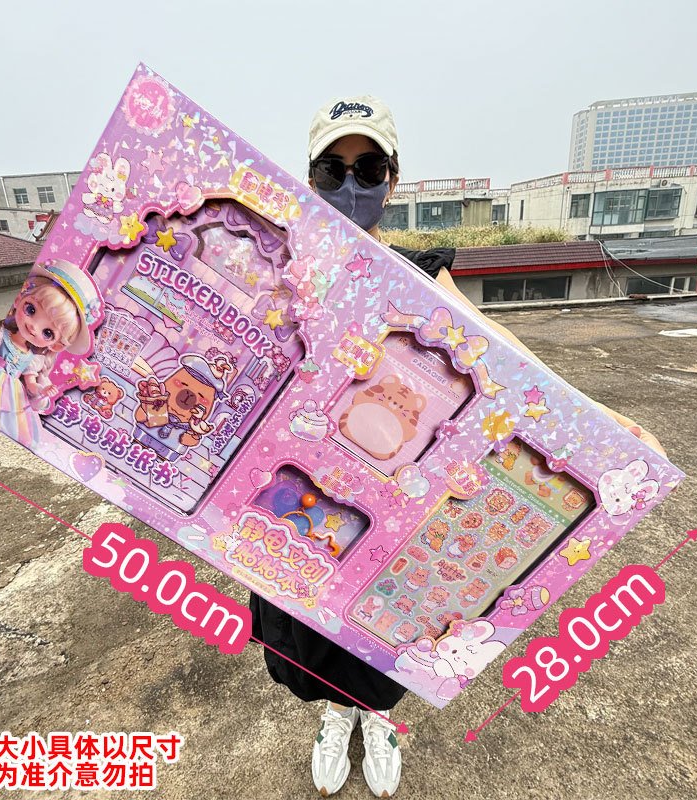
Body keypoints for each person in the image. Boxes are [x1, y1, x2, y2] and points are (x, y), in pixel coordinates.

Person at [250, 95, 666, 799]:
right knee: (306, 622)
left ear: (393, 180)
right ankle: (335, 714)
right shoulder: (280, 264)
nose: (351, 184)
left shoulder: (423, 275)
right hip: (300, 480)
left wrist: (605, 418)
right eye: (332, 169)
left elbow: (511, 361)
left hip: (400, 491)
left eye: (368, 168)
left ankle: (376, 715)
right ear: (310, 177)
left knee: (386, 616)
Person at [0, 259, 100, 446]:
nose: (34, 326)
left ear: (56, 345)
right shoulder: (2, 335)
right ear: (19, 299)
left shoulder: (33, 359)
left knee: (4, 425)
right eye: (31, 309)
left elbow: (31, 384)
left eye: (48, 332)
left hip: (11, 393)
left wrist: (42, 389)